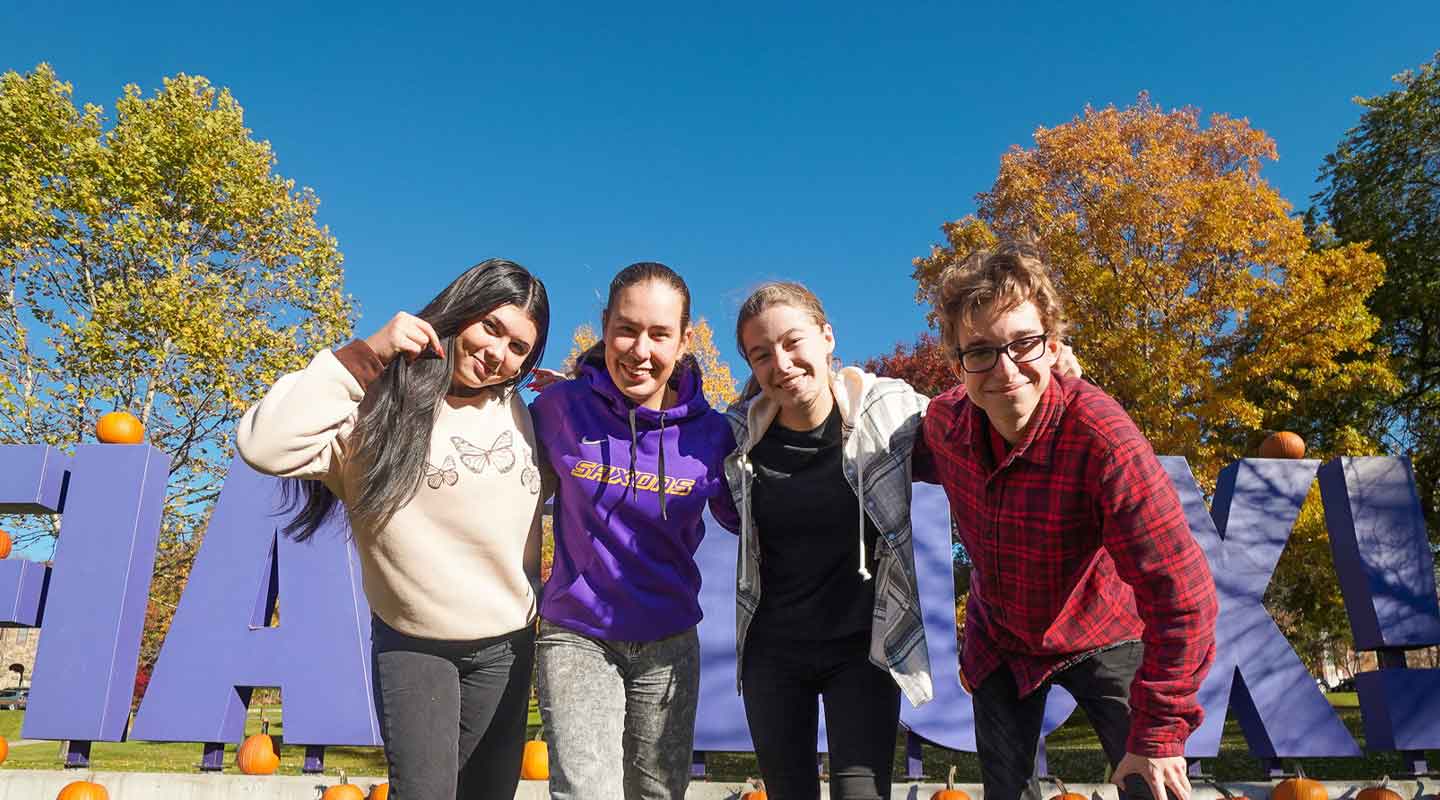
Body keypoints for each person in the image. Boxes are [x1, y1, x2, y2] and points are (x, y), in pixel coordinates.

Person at [236, 259, 550, 800]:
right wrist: (367, 355)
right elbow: (264, 445)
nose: (498, 353)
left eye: (519, 347)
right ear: (459, 313)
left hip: (508, 645)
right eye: (491, 328)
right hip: (415, 647)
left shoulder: (520, 412)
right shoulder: (373, 404)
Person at [919, 241, 1218, 800]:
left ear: (1053, 346)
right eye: (979, 351)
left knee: (1151, 783)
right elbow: (870, 439)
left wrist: (1161, 731)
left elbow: (1183, 593)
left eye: (1023, 343)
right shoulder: (943, 427)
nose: (1004, 368)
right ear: (958, 363)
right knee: (1006, 792)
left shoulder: (1104, 440)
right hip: (1002, 637)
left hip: (1102, 629)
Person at [528, 261, 740, 800]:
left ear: (685, 340)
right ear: (605, 327)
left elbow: (752, 521)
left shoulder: (712, 436)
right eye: (626, 329)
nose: (639, 350)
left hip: (668, 641)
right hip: (577, 636)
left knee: (659, 794)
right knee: (586, 792)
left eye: (659, 334)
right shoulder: (558, 409)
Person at [722, 281, 932, 800]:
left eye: (793, 342)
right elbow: (663, 413)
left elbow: (976, 414)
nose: (782, 362)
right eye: (762, 354)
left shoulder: (889, 410)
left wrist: (1052, 377)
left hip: (861, 649)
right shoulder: (737, 437)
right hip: (773, 652)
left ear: (828, 337)